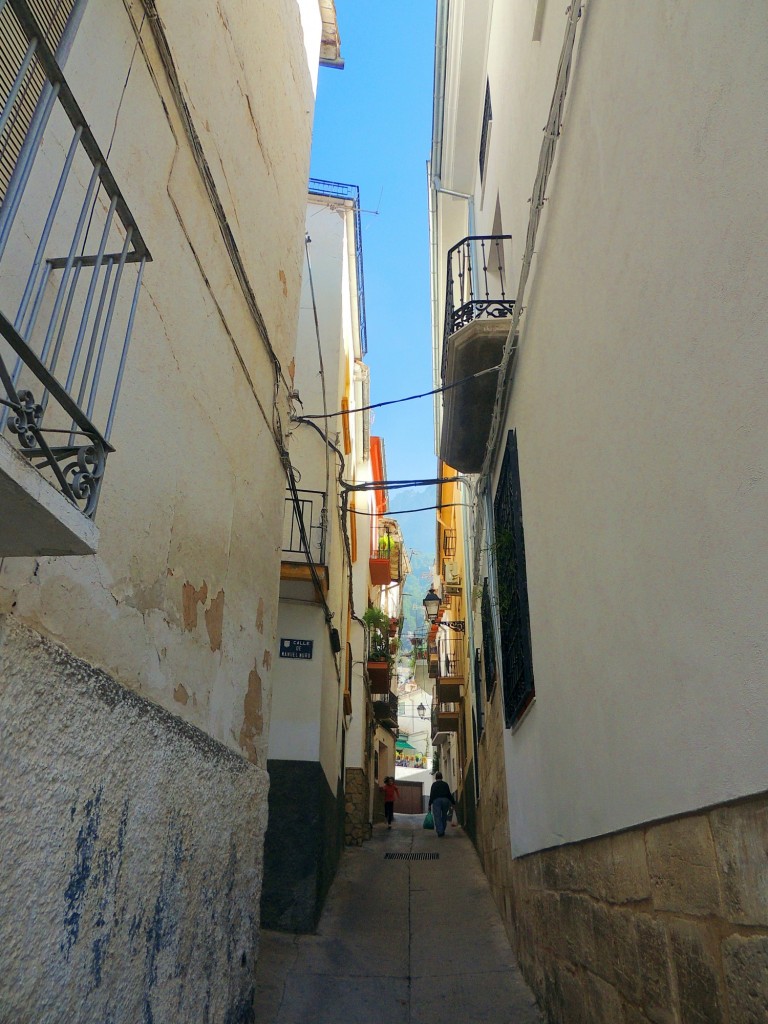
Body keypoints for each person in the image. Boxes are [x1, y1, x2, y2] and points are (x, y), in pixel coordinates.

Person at [428, 772, 456, 837]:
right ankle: (442, 829)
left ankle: (440, 831)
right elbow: (449, 794)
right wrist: (453, 803)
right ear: (442, 777)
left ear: (435, 778)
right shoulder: (445, 784)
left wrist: (429, 804)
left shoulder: (434, 785)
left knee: (437, 816)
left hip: (436, 801)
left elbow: (432, 795)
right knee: (444, 815)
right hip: (445, 800)